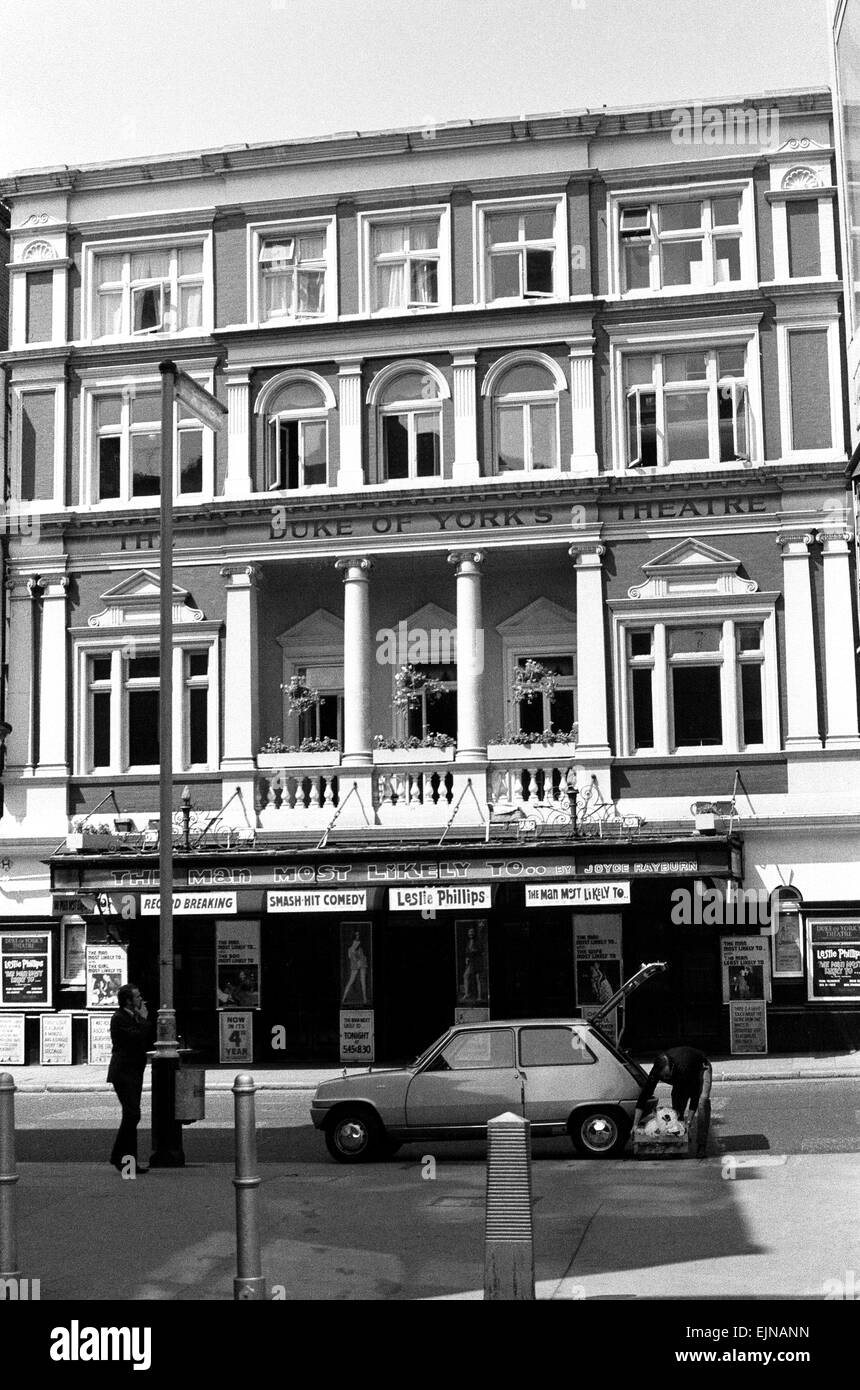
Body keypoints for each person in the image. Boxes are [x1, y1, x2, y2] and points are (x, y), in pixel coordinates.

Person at [634, 1045, 713, 1158]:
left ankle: (701, 1145)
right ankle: (679, 1142)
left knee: (702, 1102)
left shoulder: (684, 1068)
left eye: (668, 1075)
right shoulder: (656, 1071)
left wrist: (689, 1122)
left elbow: (695, 1096)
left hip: (700, 1068)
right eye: (664, 1077)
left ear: (672, 1067)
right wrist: (635, 1124)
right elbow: (644, 1096)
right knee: (677, 1108)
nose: (667, 1077)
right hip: (681, 1077)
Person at [107, 983, 152, 1175]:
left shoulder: (131, 1017)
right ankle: (123, 1160)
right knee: (132, 1114)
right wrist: (143, 1019)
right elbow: (136, 1037)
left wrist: (142, 1020)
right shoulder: (119, 1018)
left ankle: (124, 1160)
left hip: (133, 1071)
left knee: (131, 1115)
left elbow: (146, 1039)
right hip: (123, 1072)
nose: (141, 999)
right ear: (128, 1000)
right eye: (137, 997)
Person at [342, 931, 369, 1005]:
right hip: (355, 964)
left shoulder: (360, 945)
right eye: (356, 935)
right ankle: (343, 998)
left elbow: (363, 956)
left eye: (358, 935)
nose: (358, 936)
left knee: (363, 981)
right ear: (354, 936)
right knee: (351, 981)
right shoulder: (351, 948)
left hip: (362, 963)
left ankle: (365, 999)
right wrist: (356, 958)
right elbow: (351, 957)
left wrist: (362, 959)